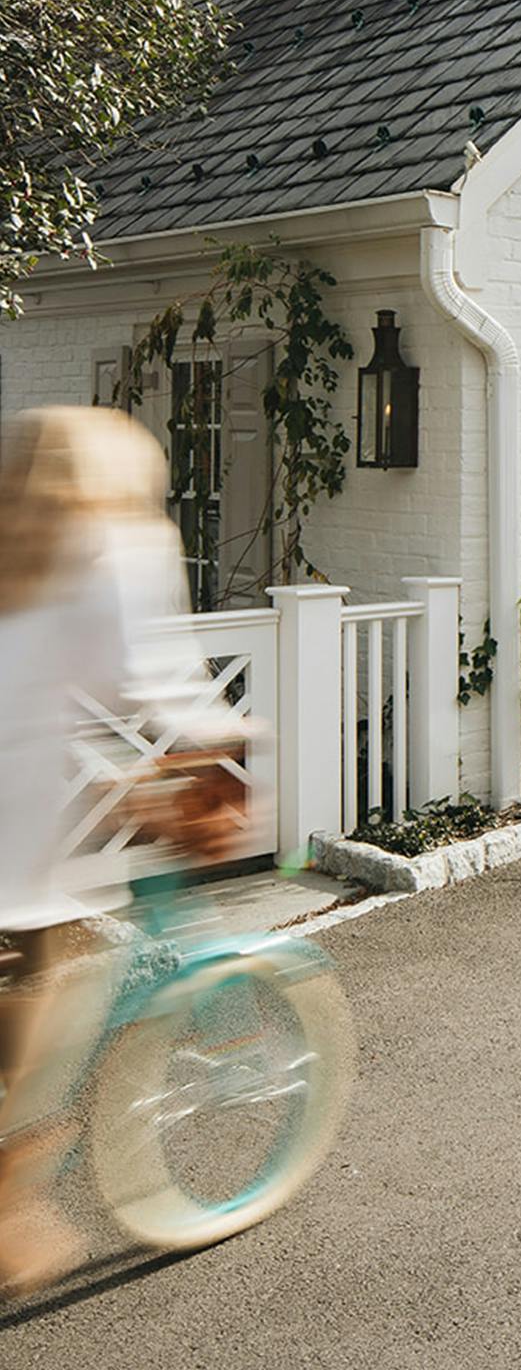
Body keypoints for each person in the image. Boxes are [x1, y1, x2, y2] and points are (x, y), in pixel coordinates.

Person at [0, 406, 244, 1296]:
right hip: (12, 857)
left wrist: (112, 783)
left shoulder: (10, 539)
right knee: (61, 973)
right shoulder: (113, 545)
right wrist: (235, 749)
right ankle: (8, 1197)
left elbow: (32, 694)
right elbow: (159, 690)